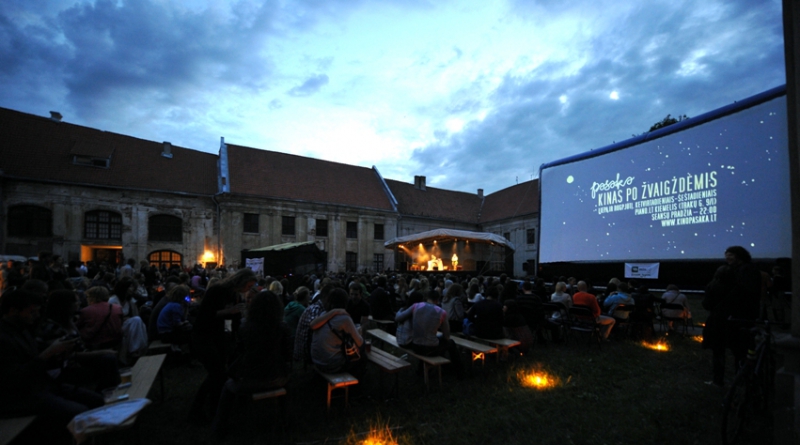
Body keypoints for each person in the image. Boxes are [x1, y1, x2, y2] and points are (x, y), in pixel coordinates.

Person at [0, 289, 104, 445]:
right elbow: (13, 379)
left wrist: (58, 355)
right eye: (32, 312)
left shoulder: (22, 330)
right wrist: (48, 354)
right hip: (19, 398)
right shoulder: (4, 338)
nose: (36, 316)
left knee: (96, 400)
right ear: (13, 311)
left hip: (42, 386)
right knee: (77, 412)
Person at [211, 291, 291, 440]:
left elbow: (237, 354)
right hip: (277, 378)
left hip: (248, 380)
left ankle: (219, 428)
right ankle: (286, 423)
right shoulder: (282, 328)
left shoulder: (245, 328)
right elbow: (288, 356)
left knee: (227, 388)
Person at [188, 268, 256, 423]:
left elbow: (234, 319)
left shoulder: (235, 294)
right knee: (216, 373)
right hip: (204, 336)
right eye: (247, 285)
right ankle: (199, 411)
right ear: (241, 281)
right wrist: (229, 311)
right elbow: (206, 315)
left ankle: (213, 407)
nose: (247, 289)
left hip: (220, 337)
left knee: (218, 374)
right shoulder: (217, 291)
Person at [702, 246, 760, 387]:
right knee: (728, 351)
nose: (728, 258)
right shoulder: (734, 273)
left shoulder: (747, 271)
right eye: (726, 255)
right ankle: (727, 380)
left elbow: (747, 296)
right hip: (729, 318)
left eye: (731, 255)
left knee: (737, 351)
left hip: (737, 319)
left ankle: (738, 380)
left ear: (739, 255)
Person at [396, 290, 463, 378]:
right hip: (430, 348)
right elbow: (447, 336)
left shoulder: (415, 306)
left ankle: (431, 370)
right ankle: (459, 372)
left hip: (415, 346)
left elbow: (399, 318)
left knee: (431, 342)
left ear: (426, 298)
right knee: (450, 343)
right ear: (437, 300)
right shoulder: (442, 312)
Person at [309, 288, 365, 378]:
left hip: (316, 360)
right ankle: (357, 385)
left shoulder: (323, 314)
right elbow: (359, 342)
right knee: (362, 353)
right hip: (331, 365)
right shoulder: (344, 318)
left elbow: (312, 325)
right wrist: (359, 332)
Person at [77, 286, 124, 350]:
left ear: (92, 297)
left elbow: (78, 327)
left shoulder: (86, 311)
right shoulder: (117, 308)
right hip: (115, 341)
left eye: (87, 297)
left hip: (96, 343)